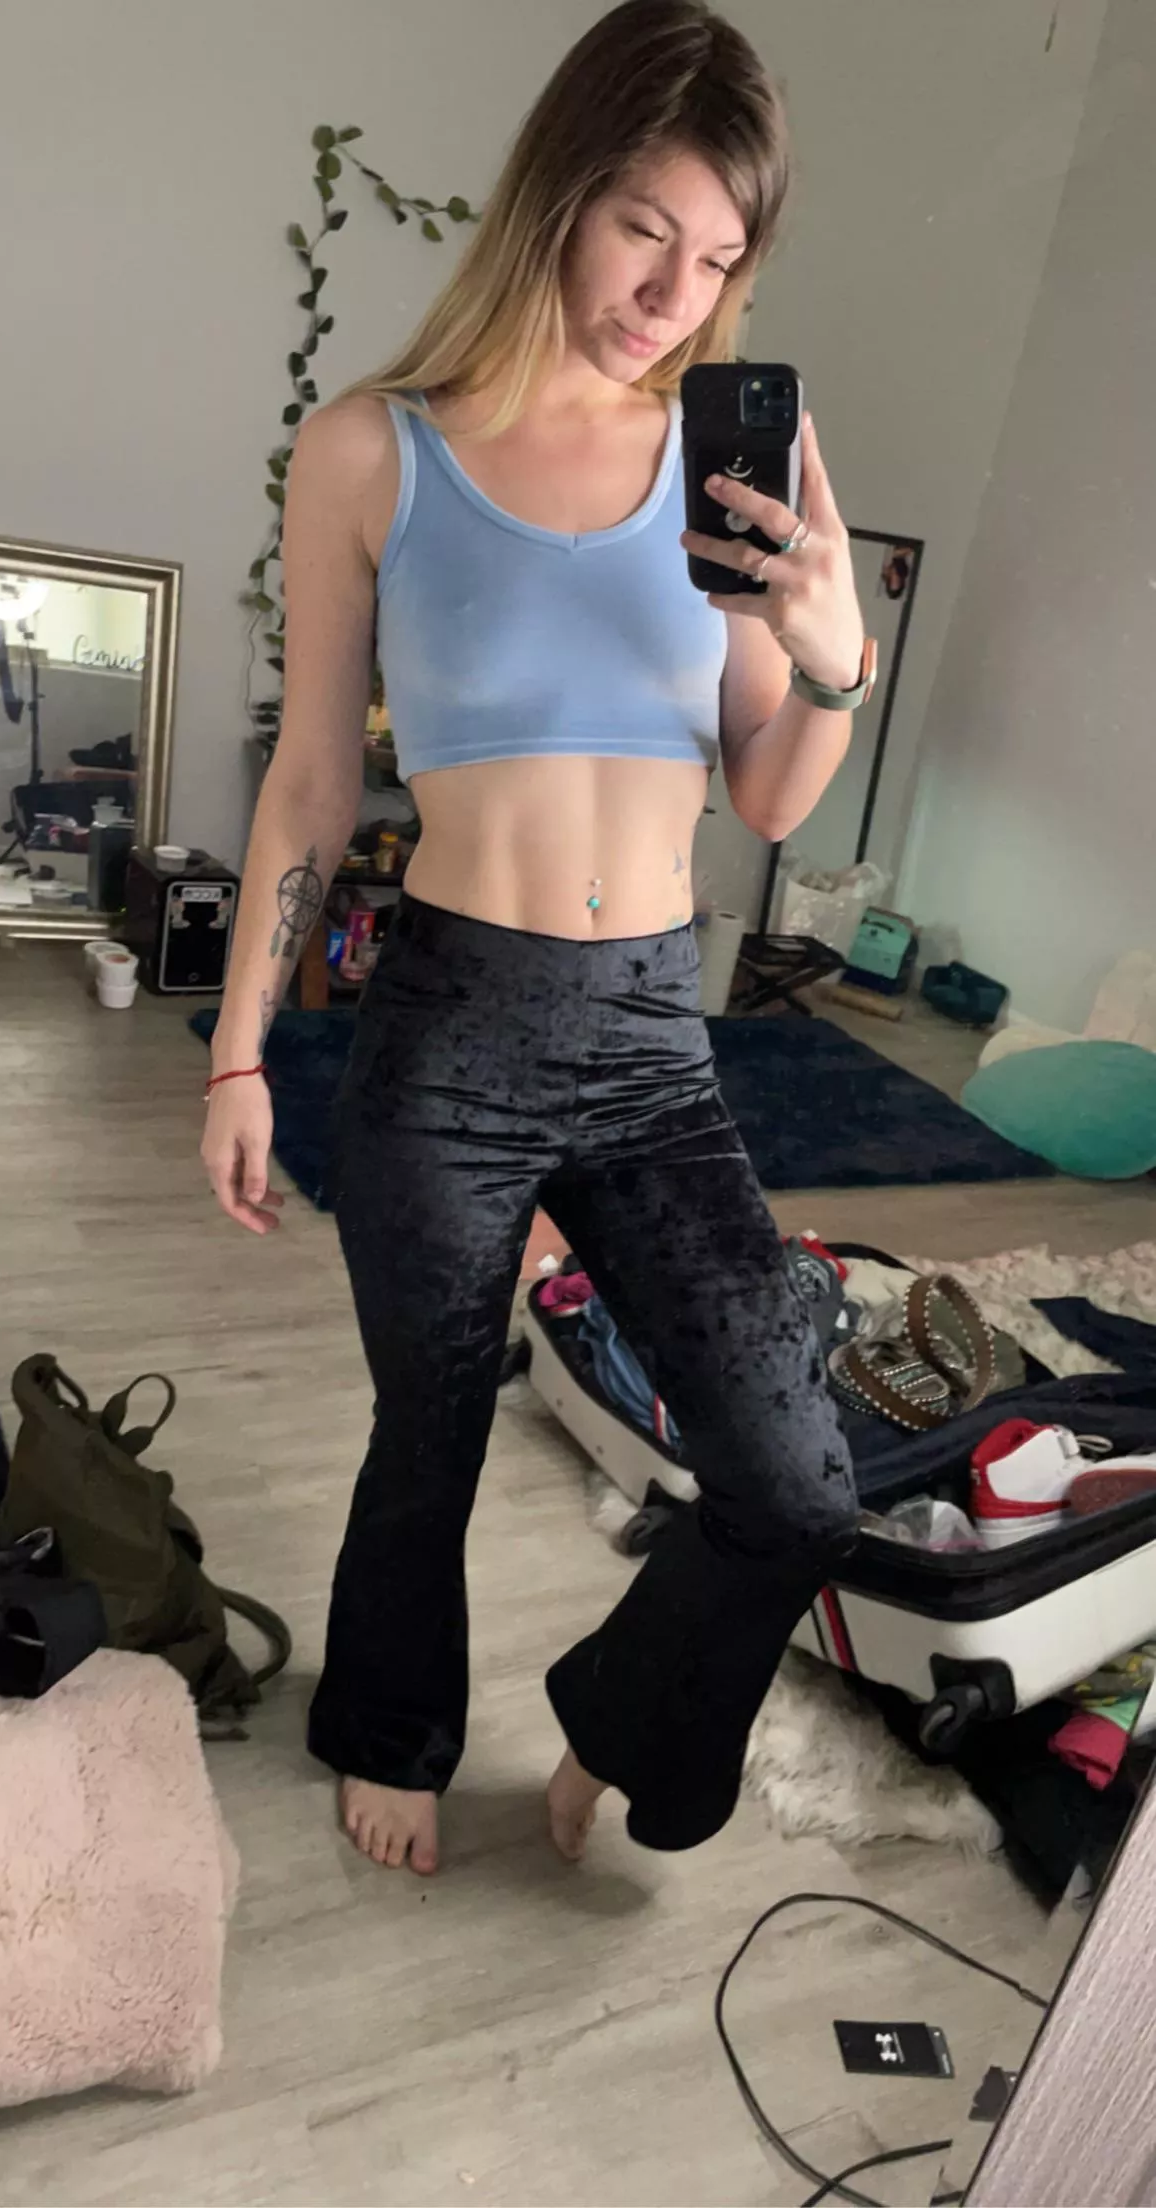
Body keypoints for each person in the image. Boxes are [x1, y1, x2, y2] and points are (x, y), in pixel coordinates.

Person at [203, 0, 872, 1875]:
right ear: (557, 193)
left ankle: (617, 1723)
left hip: (653, 1038)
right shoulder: (372, 451)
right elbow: (310, 785)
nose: (672, 293)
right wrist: (240, 1048)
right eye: (644, 227)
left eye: (718, 258)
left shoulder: (721, 468)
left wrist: (832, 651)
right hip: (451, 1024)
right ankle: (389, 1727)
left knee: (794, 1476)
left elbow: (770, 796)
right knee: (429, 1421)